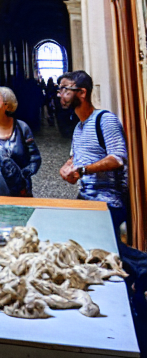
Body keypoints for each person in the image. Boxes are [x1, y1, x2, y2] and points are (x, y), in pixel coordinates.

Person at [58, 70, 129, 237]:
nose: (61, 95)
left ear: (82, 92)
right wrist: (67, 168)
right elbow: (75, 158)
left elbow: (117, 158)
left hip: (109, 201)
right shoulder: (79, 127)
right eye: (60, 90)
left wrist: (83, 170)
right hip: (85, 196)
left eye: (66, 90)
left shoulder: (105, 119)